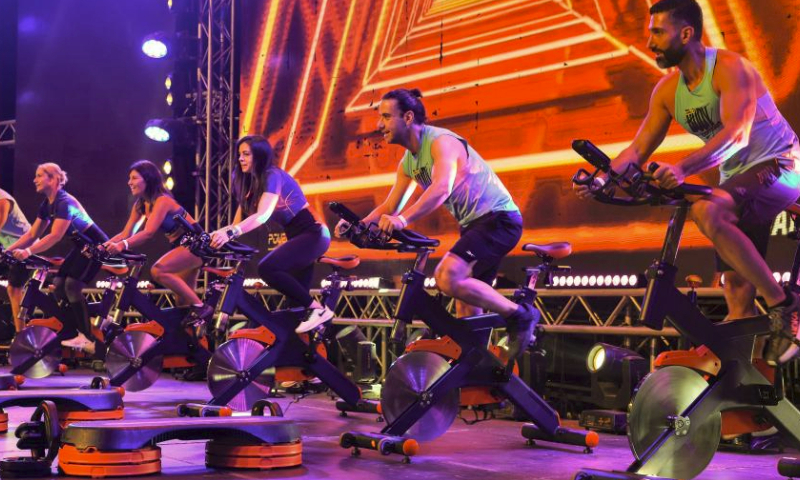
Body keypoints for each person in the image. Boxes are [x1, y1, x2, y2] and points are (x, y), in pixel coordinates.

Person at [573, 0, 800, 364]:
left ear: (687, 33)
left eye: (658, 32)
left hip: (781, 164)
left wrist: (680, 169)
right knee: (736, 294)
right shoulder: (667, 91)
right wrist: (604, 180)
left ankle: (785, 306)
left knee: (708, 211)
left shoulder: (730, 68)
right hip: (738, 179)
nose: (650, 42)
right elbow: (637, 149)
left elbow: (738, 136)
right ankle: (744, 390)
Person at [336, 88, 536, 361]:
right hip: (475, 225)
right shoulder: (409, 162)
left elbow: (442, 187)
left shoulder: (441, 142)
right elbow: (389, 206)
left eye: (385, 116)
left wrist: (403, 220)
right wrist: (356, 224)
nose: (378, 125)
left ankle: (520, 316)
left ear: (407, 117)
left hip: (499, 220)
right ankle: (479, 375)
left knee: (446, 277)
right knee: (466, 311)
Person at [209, 135, 333, 334]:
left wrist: (232, 232)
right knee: (295, 310)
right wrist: (219, 234)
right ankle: (301, 357)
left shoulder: (271, 175)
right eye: (239, 154)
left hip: (313, 232)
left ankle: (318, 310)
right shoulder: (248, 182)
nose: (240, 159)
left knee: (267, 268)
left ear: (259, 155)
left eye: (246, 154)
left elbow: (263, 215)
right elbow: (237, 224)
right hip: (296, 234)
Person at [8, 163, 109, 354]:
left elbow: (55, 235)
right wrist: (8, 250)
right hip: (82, 247)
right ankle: (90, 319)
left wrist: (28, 252)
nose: (34, 180)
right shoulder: (47, 204)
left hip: (97, 248)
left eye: (39, 176)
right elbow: (32, 234)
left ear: (53, 179)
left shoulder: (64, 202)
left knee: (71, 285)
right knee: (58, 284)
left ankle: (88, 338)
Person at [102, 160, 208, 319]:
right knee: (183, 304)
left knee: (158, 270)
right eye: (129, 178)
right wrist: (103, 246)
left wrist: (121, 246)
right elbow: (126, 233)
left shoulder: (162, 201)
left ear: (148, 179)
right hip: (181, 245)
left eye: (134, 178)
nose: (129, 182)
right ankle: (191, 340)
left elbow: (148, 233)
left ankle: (202, 308)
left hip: (197, 244)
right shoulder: (140, 204)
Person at [0, 188, 32, 332]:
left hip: (25, 249)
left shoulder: (2, 200)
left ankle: (21, 334)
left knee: (14, 288)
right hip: (8, 251)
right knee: (11, 289)